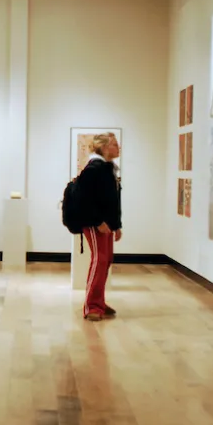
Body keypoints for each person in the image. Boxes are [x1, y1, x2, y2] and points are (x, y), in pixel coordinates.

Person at [77, 132, 122, 321]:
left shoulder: (107, 168)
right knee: (100, 260)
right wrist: (98, 221)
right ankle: (92, 306)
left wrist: (116, 225)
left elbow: (112, 200)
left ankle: (98, 301)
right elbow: (84, 199)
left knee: (106, 260)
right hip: (95, 224)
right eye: (114, 144)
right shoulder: (94, 168)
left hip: (106, 224)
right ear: (104, 147)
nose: (118, 147)